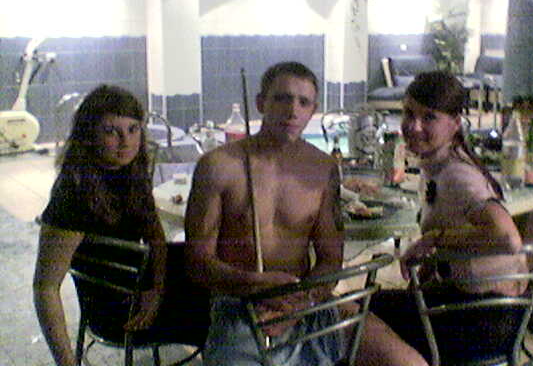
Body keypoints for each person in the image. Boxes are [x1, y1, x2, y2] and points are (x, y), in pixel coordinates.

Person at [184, 61, 427, 366]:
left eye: (303, 102)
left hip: (309, 301)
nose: (292, 111)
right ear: (260, 103)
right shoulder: (218, 166)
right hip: (242, 306)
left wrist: (301, 303)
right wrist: (252, 283)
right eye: (282, 98)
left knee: (409, 363)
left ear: (314, 110)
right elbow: (197, 262)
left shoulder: (323, 168)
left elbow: (330, 259)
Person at [368, 70, 525, 362]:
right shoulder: (441, 165)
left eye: (429, 117)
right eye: (408, 113)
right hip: (492, 312)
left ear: (455, 123)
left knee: (359, 315)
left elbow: (508, 239)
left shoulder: (456, 175)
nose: (414, 126)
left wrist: (433, 240)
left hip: (483, 320)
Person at [33, 85, 167, 366]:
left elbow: (156, 236)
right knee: (217, 307)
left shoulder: (130, 174)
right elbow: (45, 287)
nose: (126, 141)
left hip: (144, 291)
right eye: (111, 131)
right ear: (89, 135)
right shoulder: (73, 195)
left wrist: (156, 289)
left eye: (133, 129)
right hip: (114, 314)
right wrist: (67, 363)